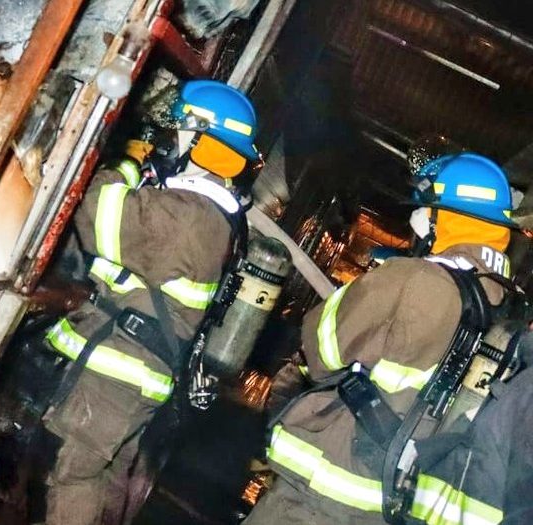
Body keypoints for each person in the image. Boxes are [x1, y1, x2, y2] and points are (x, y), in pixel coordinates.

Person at [246, 152, 523, 524]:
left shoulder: (413, 278)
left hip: (324, 493)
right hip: (395, 503)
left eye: (426, 213)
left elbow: (321, 346)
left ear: (443, 219)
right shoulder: (509, 310)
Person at [41, 79, 263, 525]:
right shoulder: (218, 218)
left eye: (178, 131)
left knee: (75, 474)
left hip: (120, 371)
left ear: (199, 141)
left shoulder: (185, 215)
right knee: (110, 476)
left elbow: (93, 211)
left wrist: (126, 162)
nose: (169, 140)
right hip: (142, 374)